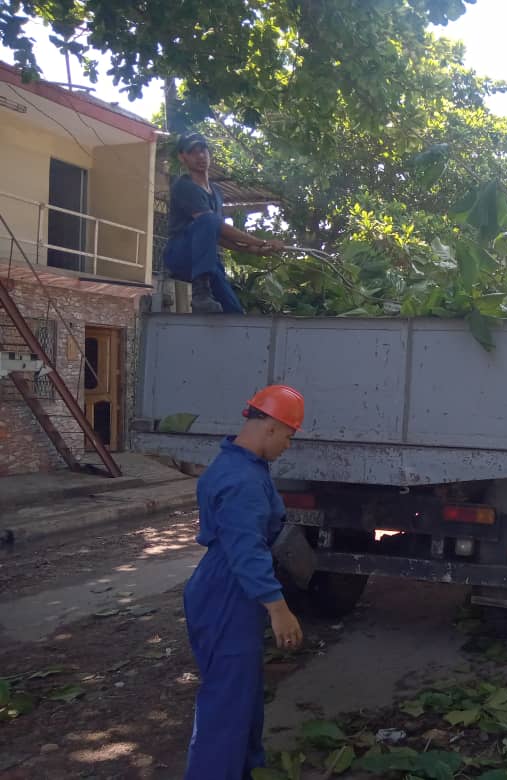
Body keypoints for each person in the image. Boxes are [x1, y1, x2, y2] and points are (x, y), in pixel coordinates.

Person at [183, 384, 305, 779]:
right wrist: (278, 608)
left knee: (243, 693)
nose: (288, 445)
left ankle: (246, 768)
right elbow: (246, 550)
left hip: (226, 585)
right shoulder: (243, 481)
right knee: (227, 700)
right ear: (270, 427)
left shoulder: (241, 465)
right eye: (288, 436)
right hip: (227, 589)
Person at [163, 132, 285, 314]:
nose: (201, 156)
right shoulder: (184, 186)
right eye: (193, 152)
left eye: (203, 150)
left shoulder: (217, 193)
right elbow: (212, 223)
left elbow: (217, 234)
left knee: (234, 312)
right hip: (180, 253)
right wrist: (261, 243)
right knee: (209, 219)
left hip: (206, 260)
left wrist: (254, 251)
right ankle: (200, 295)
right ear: (183, 158)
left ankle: (209, 299)